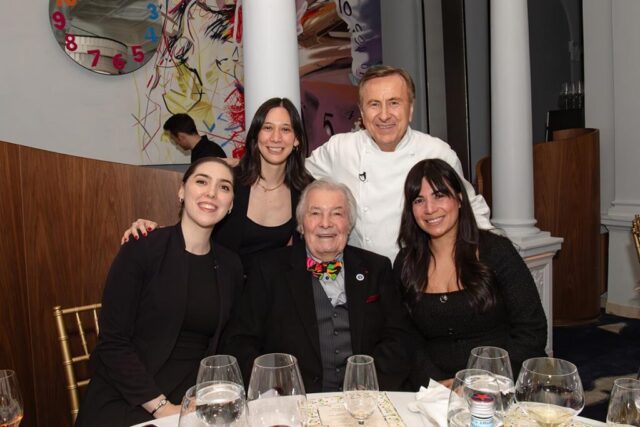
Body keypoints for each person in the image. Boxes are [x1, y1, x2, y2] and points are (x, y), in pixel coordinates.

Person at [75, 158, 244, 427]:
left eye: (224, 187)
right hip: (129, 397)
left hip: (192, 401)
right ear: (181, 191)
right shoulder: (142, 248)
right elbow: (112, 343)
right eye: (202, 181)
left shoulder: (230, 265)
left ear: (231, 204)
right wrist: (162, 408)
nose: (211, 193)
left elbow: (226, 343)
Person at [222, 179, 415, 393]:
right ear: (301, 224)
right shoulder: (268, 270)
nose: (325, 223)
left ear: (349, 223)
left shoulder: (376, 268)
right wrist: (275, 388)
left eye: (337, 213)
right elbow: (240, 340)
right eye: (315, 213)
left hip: (363, 398)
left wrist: (368, 383)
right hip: (294, 400)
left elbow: (399, 337)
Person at [305, 65, 492, 262]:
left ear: (410, 109)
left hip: (420, 270)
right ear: (362, 111)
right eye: (374, 104)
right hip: (362, 272)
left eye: (394, 103)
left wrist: (493, 254)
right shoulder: (340, 149)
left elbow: (470, 209)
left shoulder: (437, 152)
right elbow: (298, 179)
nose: (384, 115)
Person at [394, 159, 547, 388]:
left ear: (460, 199)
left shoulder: (496, 251)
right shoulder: (406, 263)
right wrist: (434, 383)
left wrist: (481, 383)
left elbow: (531, 329)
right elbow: (404, 335)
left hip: (501, 382)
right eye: (419, 200)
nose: (429, 209)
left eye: (439, 195)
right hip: (434, 388)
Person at [124, 98, 314, 270]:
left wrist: (328, 279)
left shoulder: (305, 191)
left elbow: (306, 257)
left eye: (285, 129)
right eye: (268, 128)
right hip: (218, 288)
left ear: (296, 139)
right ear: (256, 135)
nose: (276, 137)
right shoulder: (230, 182)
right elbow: (192, 231)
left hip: (270, 293)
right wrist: (154, 233)